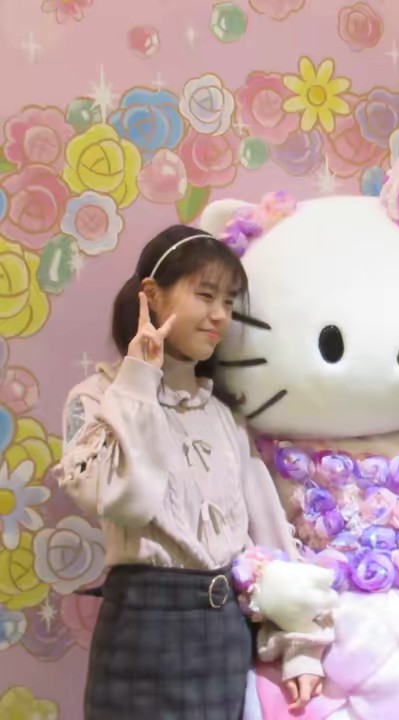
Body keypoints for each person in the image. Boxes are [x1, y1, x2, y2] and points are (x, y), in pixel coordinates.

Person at [59, 225, 332, 720]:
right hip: (140, 633)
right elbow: (127, 502)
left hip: (225, 633)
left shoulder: (223, 414)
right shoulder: (96, 399)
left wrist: (300, 646)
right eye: (205, 296)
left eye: (228, 302)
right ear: (151, 295)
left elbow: (266, 534)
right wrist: (140, 376)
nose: (220, 315)